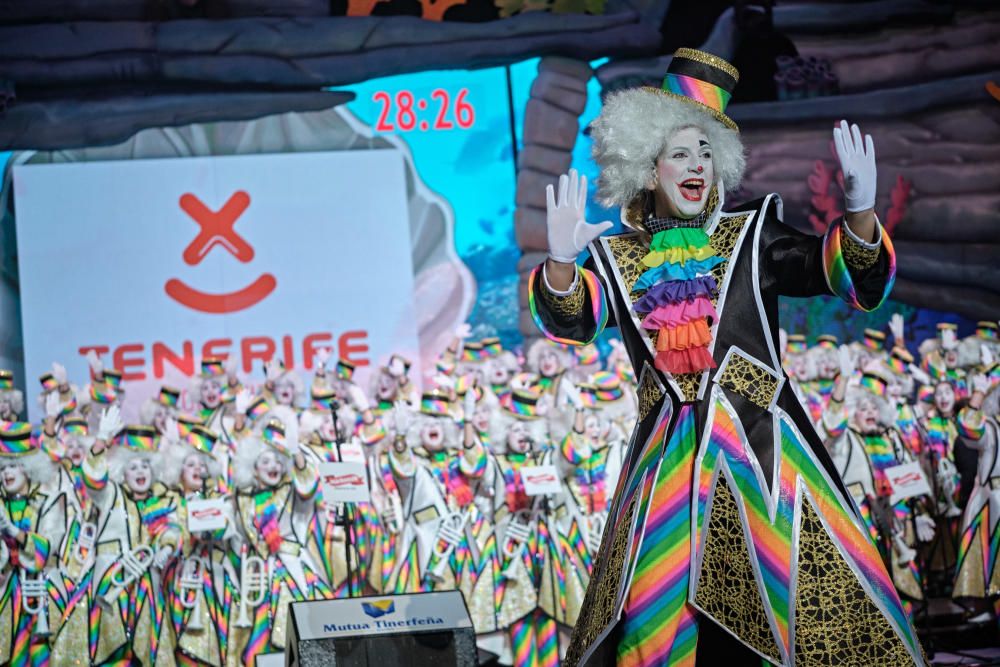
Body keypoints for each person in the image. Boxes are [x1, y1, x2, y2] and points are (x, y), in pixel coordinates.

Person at [528, 48, 920, 665]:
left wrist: (861, 212)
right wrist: (557, 261)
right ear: (647, 166)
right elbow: (572, 317)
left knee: (791, 609)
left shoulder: (752, 233)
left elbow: (836, 274)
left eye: (706, 152)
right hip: (667, 466)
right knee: (655, 618)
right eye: (680, 153)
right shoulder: (618, 258)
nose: (696, 166)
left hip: (762, 451)